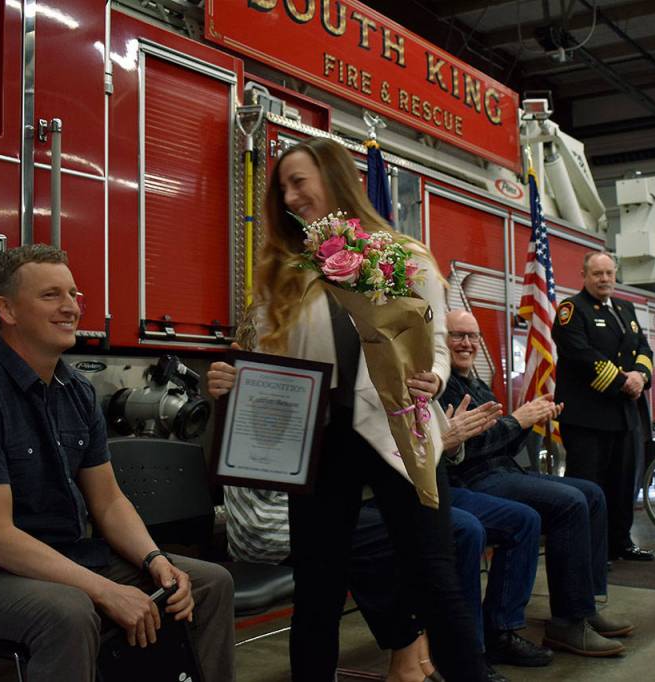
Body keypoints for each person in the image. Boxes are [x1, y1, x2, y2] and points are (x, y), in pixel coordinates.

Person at [205, 137, 487, 681]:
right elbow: (266, 356)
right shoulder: (283, 274)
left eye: (299, 181)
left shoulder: (405, 254)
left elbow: (431, 343)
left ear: (335, 180)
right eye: (281, 187)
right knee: (318, 590)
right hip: (318, 443)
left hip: (399, 432)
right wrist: (232, 380)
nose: (289, 196)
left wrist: (435, 376)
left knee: (435, 579)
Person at [0, 244, 235, 682]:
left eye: (74, 294)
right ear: (7, 309)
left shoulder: (77, 391)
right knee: (69, 613)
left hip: (66, 556)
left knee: (207, 583)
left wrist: (155, 560)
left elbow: (108, 502)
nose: (71, 307)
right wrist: (104, 590)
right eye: (51, 295)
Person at [218, 372, 533, 682]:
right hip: (273, 520)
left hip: (351, 499)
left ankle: (437, 654)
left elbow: (421, 457)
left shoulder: (409, 375)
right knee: (428, 538)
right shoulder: (302, 383)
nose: (467, 345)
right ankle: (417, 655)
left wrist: (444, 442)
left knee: (452, 531)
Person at [441, 309, 634, 658]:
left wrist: (529, 420)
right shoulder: (443, 384)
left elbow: (504, 442)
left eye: (472, 336)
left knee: (591, 494)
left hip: (503, 472)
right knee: (570, 501)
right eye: (457, 335)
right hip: (471, 480)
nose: (466, 343)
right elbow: (464, 449)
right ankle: (566, 622)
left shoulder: (478, 383)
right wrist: (517, 419)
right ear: (441, 341)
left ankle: (583, 606)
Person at [551, 251, 655, 562]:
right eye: (597, 274)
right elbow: (580, 354)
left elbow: (643, 347)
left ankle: (620, 543)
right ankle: (590, 552)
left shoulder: (625, 307)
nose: (605, 279)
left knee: (623, 485)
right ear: (584, 275)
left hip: (624, 416)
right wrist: (624, 382)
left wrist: (641, 375)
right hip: (587, 418)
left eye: (609, 273)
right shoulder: (572, 309)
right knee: (589, 487)